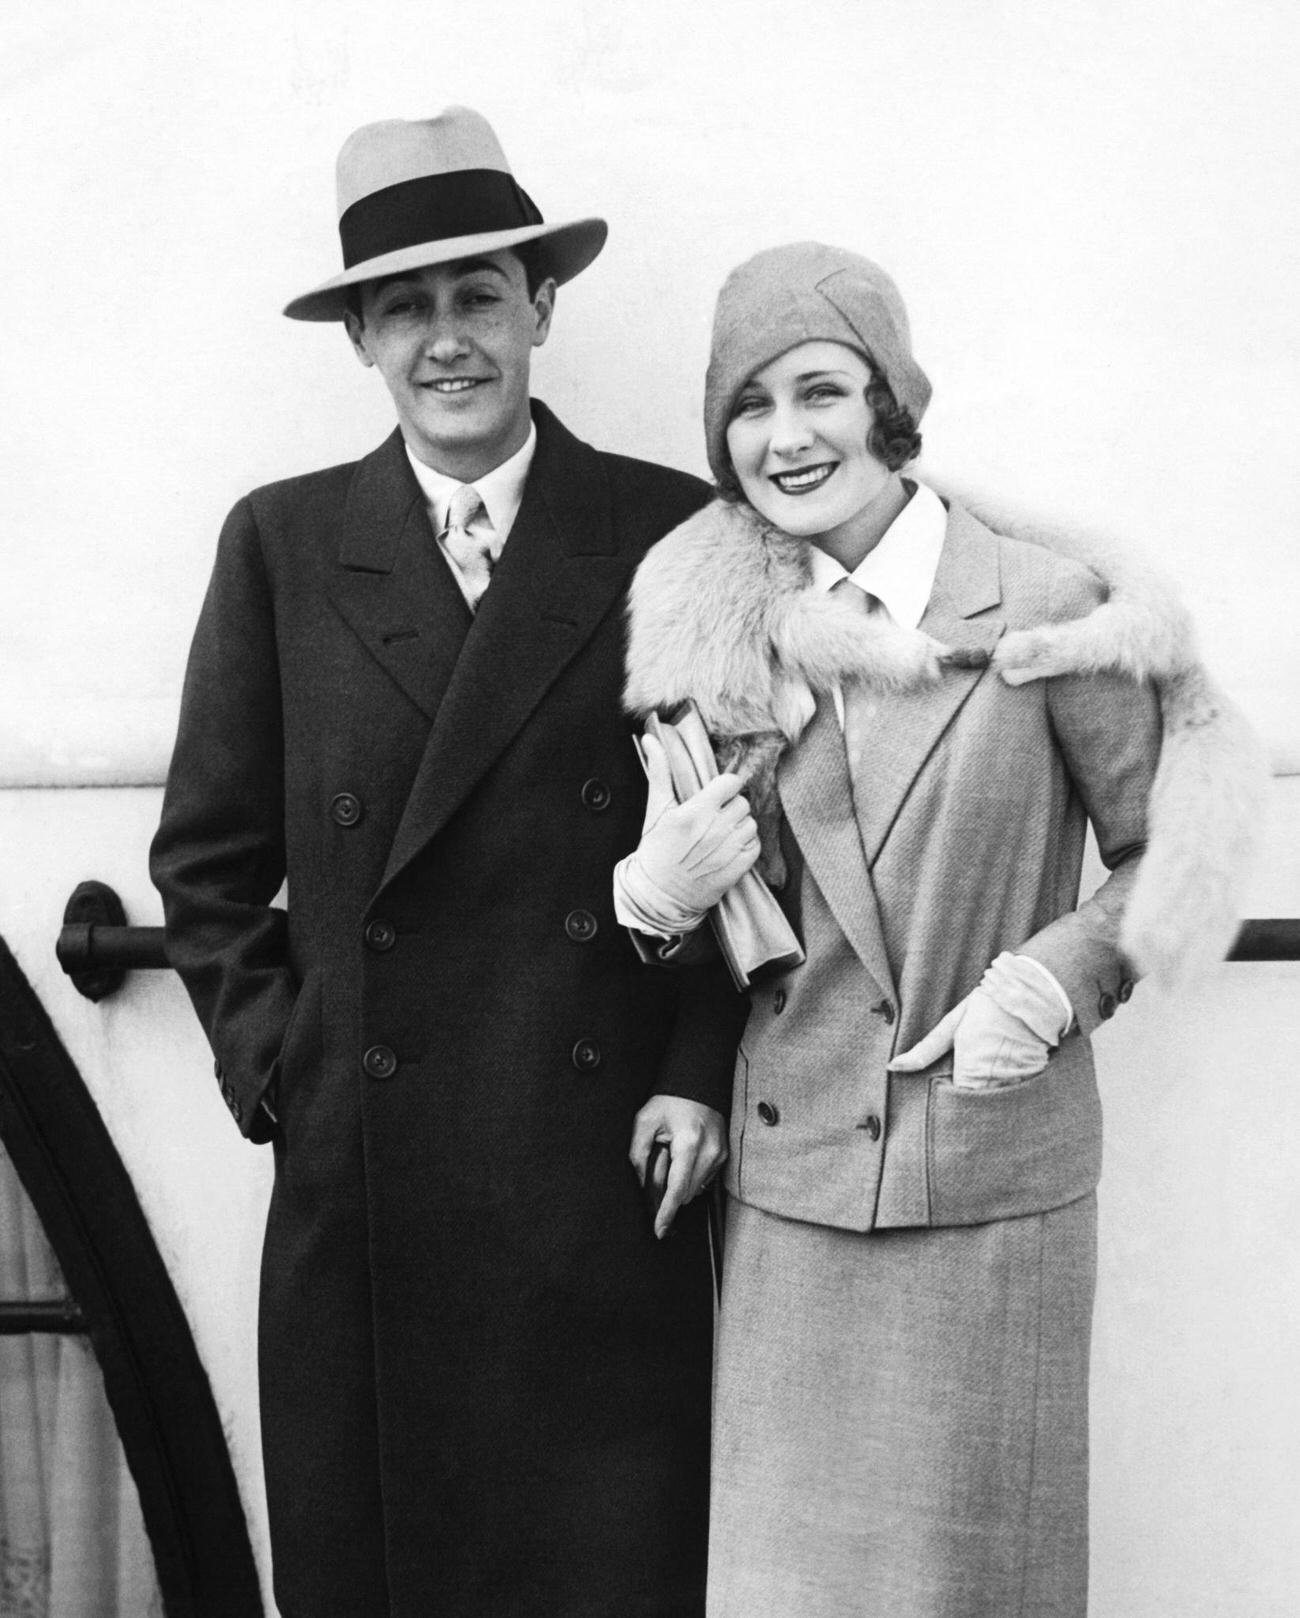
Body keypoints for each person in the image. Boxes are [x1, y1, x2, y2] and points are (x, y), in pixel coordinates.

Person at [150, 106, 751, 1618]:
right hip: (368, 1184)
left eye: (477, 295)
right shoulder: (283, 545)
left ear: (540, 306)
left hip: (601, 1169)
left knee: (603, 1576)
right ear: (361, 338)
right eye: (404, 307)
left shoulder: (667, 531)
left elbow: (749, 839)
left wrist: (695, 1069)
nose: (447, 340)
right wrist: (289, 1072)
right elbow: (206, 862)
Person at [618, 242, 1264, 1618]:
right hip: (792, 1195)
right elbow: (740, 923)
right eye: (750, 406)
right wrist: (656, 897)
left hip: (985, 1181)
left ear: (890, 402)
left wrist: (1055, 982)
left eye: (821, 390)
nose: (786, 437)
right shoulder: (716, 630)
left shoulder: (1045, 604)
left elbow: (1162, 850)